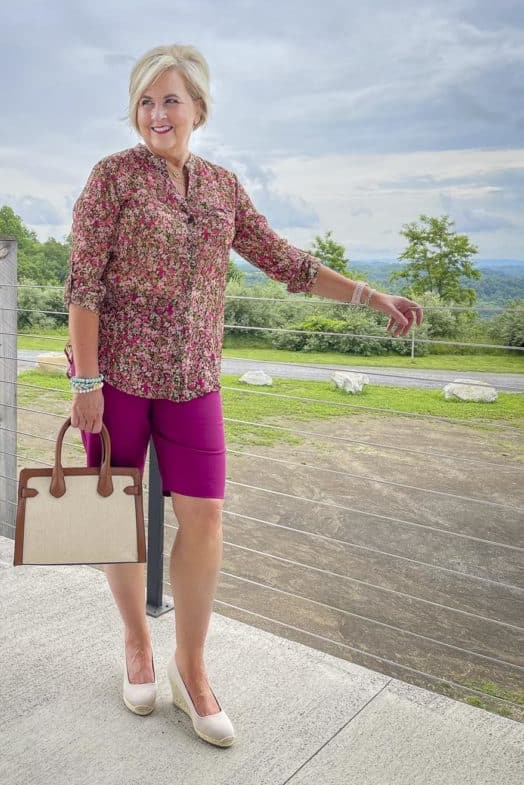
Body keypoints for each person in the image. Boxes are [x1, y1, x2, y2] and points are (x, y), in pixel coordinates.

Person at [63, 43, 423, 747]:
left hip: (195, 377)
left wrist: (367, 294)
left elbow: (284, 260)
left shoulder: (223, 187)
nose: (157, 113)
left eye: (171, 99)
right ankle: (137, 643)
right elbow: (84, 285)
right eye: (145, 100)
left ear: (199, 107)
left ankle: (191, 668)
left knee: (206, 519)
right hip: (115, 379)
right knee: (117, 513)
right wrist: (86, 383)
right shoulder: (112, 178)